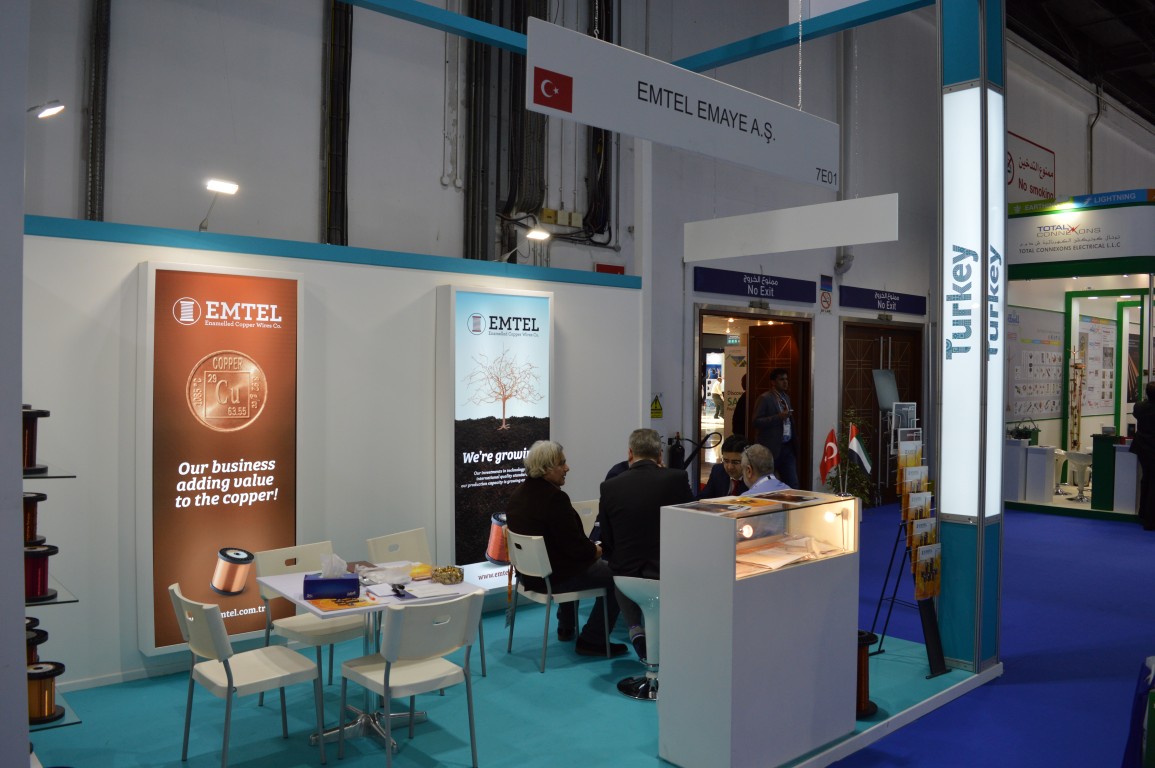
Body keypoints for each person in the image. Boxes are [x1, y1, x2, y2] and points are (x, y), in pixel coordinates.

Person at [505, 440, 628, 656]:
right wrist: (595, 550)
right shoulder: (555, 499)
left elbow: (564, 545)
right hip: (555, 577)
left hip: (528, 576)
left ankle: (566, 625)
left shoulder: (518, 495)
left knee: (567, 560)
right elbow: (576, 548)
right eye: (562, 463)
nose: (567, 468)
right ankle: (593, 639)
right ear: (546, 468)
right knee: (619, 577)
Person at [598, 429, 695, 659]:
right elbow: (691, 524)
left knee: (620, 570)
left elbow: (607, 537)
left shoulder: (609, 486)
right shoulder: (677, 479)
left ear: (630, 453)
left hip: (626, 576)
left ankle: (635, 629)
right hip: (668, 573)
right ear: (660, 454)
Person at [752, 368, 800, 488]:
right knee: (768, 484)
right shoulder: (765, 398)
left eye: (786, 379)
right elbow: (756, 422)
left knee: (792, 483)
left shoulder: (786, 398)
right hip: (771, 448)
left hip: (787, 446)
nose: (785, 382)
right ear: (773, 382)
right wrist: (778, 417)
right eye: (781, 379)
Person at [740, 443, 791, 535]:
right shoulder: (790, 491)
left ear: (748, 471)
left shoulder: (746, 499)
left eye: (742, 470)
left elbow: (737, 534)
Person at [1131, 381, 1155, 530]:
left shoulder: (1139, 407)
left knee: (1146, 479)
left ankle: (1143, 513)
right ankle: (1150, 520)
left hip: (1142, 448)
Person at [699, 434, 749, 499]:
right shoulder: (718, 471)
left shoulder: (753, 477)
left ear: (747, 461)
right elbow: (704, 498)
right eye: (726, 461)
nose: (730, 467)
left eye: (735, 462)